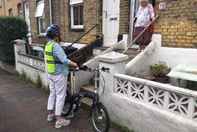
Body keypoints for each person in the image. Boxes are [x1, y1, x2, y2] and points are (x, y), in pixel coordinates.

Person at [45, 24, 78, 128]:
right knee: (60, 96)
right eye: (60, 33)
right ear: (56, 35)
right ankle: (59, 120)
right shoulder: (56, 46)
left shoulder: (48, 45)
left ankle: (50, 114)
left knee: (53, 94)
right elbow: (64, 60)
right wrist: (75, 64)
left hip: (51, 73)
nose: (62, 34)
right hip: (59, 74)